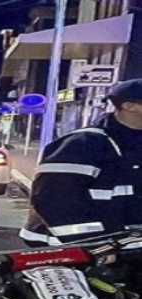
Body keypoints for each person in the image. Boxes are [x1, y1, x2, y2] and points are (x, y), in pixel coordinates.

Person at [21, 79, 142, 246]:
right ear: (130, 106)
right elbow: (56, 199)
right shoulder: (84, 144)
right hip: (72, 250)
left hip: (128, 246)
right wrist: (94, 245)